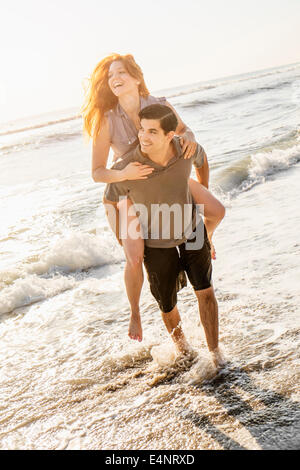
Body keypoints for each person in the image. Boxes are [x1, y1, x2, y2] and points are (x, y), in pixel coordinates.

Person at [82, 53, 225, 343]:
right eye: (110, 76)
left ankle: (205, 238)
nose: (115, 79)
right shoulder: (108, 121)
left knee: (217, 210)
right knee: (134, 256)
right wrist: (124, 174)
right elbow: (98, 173)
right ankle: (135, 312)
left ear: (136, 77)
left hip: (170, 178)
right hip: (131, 187)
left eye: (121, 72)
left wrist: (190, 144)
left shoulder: (158, 105)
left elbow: (187, 134)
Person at [104, 104, 225, 368]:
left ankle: (216, 356)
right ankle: (184, 352)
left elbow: (202, 161)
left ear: (170, 134)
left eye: (151, 132)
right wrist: (120, 236)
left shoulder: (185, 149)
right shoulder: (128, 167)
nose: (143, 137)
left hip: (193, 231)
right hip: (156, 244)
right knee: (167, 303)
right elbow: (109, 200)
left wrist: (201, 190)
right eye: (141, 129)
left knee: (205, 291)